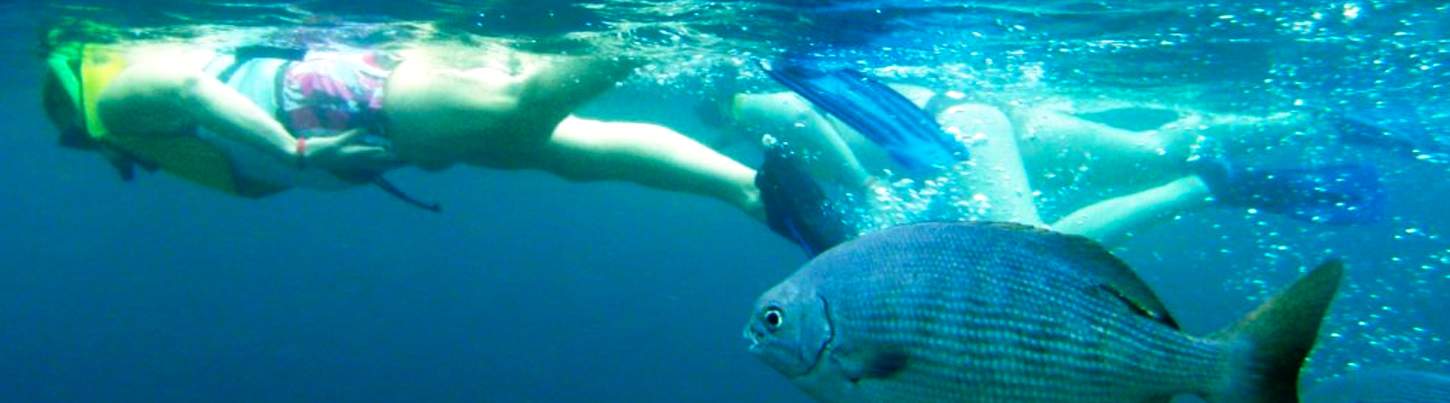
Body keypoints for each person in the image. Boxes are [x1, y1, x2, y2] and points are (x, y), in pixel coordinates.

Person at [40, 32, 763, 216]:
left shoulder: (117, 99)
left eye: (71, 138)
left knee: (526, 109)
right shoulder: (128, 134)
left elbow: (188, 85)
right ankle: (755, 191)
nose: (87, 149)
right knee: (566, 149)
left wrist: (290, 145)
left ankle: (649, 28)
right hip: (372, 132)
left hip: (349, 106)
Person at [723, 61, 1383, 252]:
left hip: (958, 125)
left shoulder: (735, 95)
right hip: (984, 108)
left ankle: (1205, 186)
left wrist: (863, 183)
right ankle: (1311, 117)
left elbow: (801, 111)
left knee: (1031, 244)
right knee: (1152, 147)